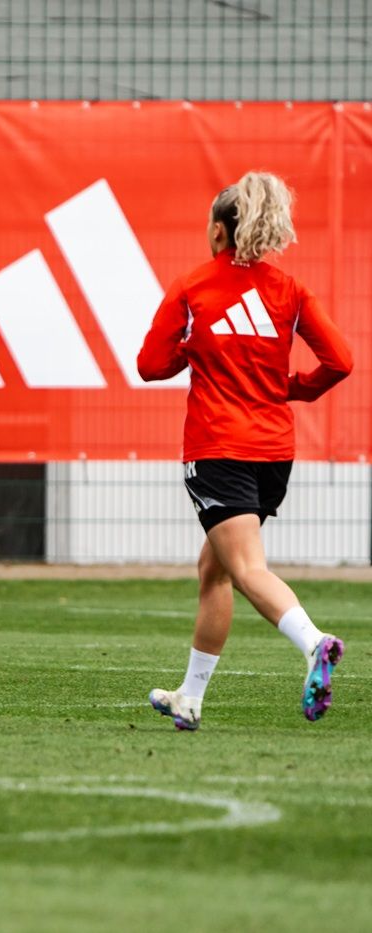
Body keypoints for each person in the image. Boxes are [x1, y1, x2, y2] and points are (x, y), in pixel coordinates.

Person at [137, 171, 353, 731]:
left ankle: (314, 642)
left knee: (247, 567)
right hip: (274, 453)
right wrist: (292, 387)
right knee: (215, 570)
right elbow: (341, 361)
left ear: (217, 232)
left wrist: (192, 348)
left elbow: (150, 365)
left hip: (217, 449)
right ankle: (189, 697)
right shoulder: (289, 290)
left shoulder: (193, 288)